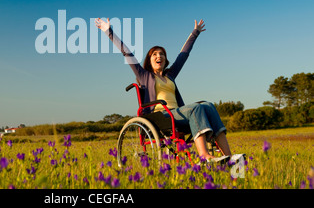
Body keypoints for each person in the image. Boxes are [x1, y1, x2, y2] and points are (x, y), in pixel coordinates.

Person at [95, 17, 240, 163]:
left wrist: (195, 33)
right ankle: (204, 156)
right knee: (195, 108)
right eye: (155, 54)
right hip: (161, 117)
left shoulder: (170, 75)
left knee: (208, 106)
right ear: (149, 60)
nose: (159, 56)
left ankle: (229, 157)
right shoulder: (144, 75)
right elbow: (127, 53)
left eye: (162, 54)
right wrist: (109, 31)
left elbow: (183, 55)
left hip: (178, 115)